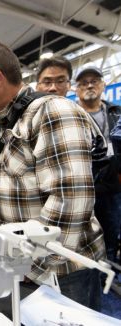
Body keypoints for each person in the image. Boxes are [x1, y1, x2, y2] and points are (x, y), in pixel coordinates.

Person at [0, 39, 106, 310]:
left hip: (63, 270)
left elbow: (70, 201)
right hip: (24, 265)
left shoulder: (53, 112)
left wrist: (29, 263)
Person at [75, 66, 121, 263]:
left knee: (112, 232)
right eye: (84, 82)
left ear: (103, 85)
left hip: (112, 186)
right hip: (83, 187)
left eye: (94, 81)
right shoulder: (71, 113)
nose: (89, 85)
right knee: (83, 238)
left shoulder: (115, 112)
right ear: (76, 89)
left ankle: (108, 275)